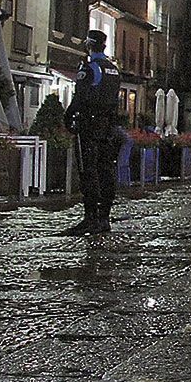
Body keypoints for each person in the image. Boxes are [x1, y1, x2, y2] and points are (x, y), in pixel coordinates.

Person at [63, 30, 121, 235]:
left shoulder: (90, 68)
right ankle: (104, 217)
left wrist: (68, 116)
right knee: (106, 170)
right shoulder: (113, 70)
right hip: (108, 127)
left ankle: (91, 218)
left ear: (88, 45)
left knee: (88, 171)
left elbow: (81, 97)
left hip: (89, 125)